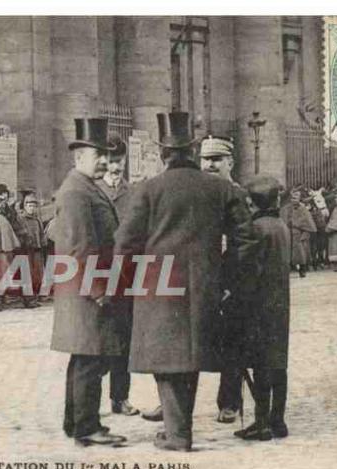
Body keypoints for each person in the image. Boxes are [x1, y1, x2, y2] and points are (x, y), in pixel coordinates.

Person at [114, 112, 256, 451]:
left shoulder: (146, 190)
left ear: (163, 154)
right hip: (205, 287)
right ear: (193, 151)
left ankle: (178, 435)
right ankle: (178, 429)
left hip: (158, 286)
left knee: (166, 360)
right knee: (189, 355)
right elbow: (245, 241)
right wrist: (224, 276)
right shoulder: (222, 189)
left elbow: (125, 243)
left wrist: (129, 283)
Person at [50, 117, 128, 447]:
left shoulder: (83, 187)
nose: (105, 161)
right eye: (99, 155)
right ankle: (87, 426)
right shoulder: (76, 192)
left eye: (107, 155)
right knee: (91, 358)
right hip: (87, 290)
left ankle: (75, 421)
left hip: (82, 289)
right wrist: (98, 291)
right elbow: (79, 248)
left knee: (83, 357)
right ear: (80, 155)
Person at [230, 177, 291, 441]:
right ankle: (278, 420)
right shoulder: (280, 226)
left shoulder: (255, 229)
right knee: (278, 364)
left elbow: (247, 270)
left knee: (260, 365)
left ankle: (261, 422)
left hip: (258, 306)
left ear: (254, 203)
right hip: (279, 305)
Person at [200, 134, 248, 425]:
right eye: (205, 159)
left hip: (228, 282)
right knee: (185, 341)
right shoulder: (196, 194)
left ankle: (230, 402)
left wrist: (231, 283)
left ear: (230, 161)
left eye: (216, 159)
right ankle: (174, 403)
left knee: (232, 342)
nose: (210, 165)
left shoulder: (238, 194)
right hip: (199, 278)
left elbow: (243, 244)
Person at [95, 133, 139, 418]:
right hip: (97, 276)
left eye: (119, 161)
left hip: (125, 277)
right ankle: (89, 402)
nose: (115, 168)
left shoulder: (133, 193)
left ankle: (120, 397)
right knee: (95, 341)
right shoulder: (91, 190)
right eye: (111, 162)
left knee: (123, 339)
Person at [14, 192, 46, 309]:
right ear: (25, 206)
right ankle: (28, 299)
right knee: (27, 275)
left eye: (33, 206)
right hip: (26, 251)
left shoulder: (37, 220)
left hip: (37, 251)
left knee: (37, 275)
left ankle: (34, 297)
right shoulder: (21, 219)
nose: (31, 208)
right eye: (29, 206)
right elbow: (19, 234)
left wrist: (42, 244)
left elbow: (42, 234)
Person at [280, 188, 316, 278]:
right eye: (292, 198)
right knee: (287, 253)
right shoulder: (285, 208)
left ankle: (302, 269)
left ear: (299, 199)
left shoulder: (303, 209)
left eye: (295, 198)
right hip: (287, 233)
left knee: (301, 253)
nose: (293, 200)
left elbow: (308, 223)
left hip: (299, 234)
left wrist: (306, 234)